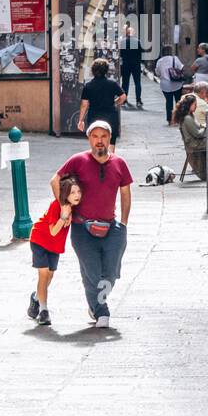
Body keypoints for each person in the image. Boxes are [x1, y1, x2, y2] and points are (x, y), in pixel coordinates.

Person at [50, 121, 132, 328]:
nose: (99, 141)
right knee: (92, 272)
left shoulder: (119, 163)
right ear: (89, 139)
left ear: (109, 138)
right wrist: (63, 208)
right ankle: (100, 310)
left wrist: (123, 222)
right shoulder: (78, 160)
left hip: (111, 226)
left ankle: (96, 302)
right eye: (95, 136)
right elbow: (55, 180)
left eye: (103, 136)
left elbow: (125, 193)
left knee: (111, 273)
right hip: (82, 227)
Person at [26, 174, 82, 326]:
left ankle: (36, 298)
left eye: (78, 192)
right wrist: (63, 217)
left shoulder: (75, 207)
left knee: (49, 276)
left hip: (55, 246)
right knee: (43, 275)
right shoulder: (56, 206)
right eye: (72, 193)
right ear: (65, 194)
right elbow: (53, 231)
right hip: (40, 240)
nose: (77, 195)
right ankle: (43, 311)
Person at [78, 57, 127, 149]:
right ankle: (109, 162)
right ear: (106, 70)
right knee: (111, 143)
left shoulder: (88, 86)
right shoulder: (112, 84)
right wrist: (115, 103)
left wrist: (81, 120)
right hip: (110, 116)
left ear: (93, 70)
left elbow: (84, 104)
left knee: (95, 143)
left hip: (94, 117)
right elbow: (123, 97)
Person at [174, 93, 207, 180]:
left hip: (196, 141)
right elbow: (198, 134)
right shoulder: (187, 118)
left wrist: (204, 126)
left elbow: (199, 126)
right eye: (195, 104)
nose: (196, 106)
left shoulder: (191, 115)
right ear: (190, 105)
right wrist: (206, 128)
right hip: (194, 143)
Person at [154, 44, 187, 124]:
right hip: (176, 84)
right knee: (178, 101)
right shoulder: (175, 59)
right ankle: (178, 118)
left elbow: (157, 73)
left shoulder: (160, 61)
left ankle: (170, 119)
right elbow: (181, 68)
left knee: (168, 102)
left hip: (165, 85)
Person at [119, 23, 144, 109]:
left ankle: (124, 100)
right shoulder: (137, 41)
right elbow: (141, 53)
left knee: (125, 83)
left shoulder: (122, 42)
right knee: (137, 83)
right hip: (136, 64)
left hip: (126, 64)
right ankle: (138, 100)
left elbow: (121, 54)